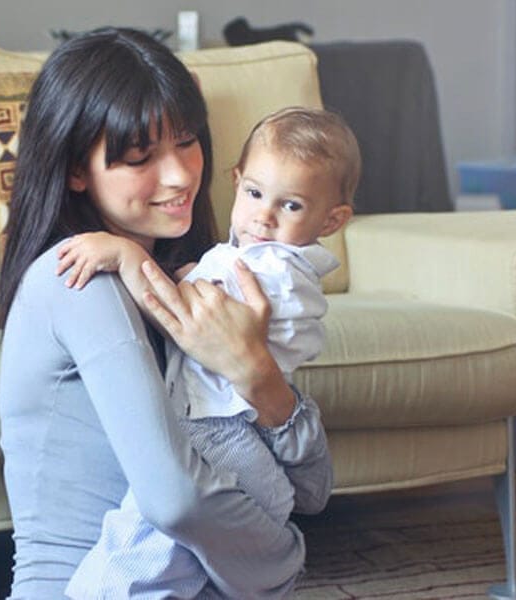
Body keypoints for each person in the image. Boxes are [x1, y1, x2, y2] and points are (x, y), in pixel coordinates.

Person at [0, 27, 334, 599]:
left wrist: (255, 371)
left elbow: (314, 488)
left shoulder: (202, 282)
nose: (179, 175)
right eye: (139, 157)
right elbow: (175, 499)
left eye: (186, 141)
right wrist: (284, 561)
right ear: (78, 171)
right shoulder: (77, 277)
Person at [57, 107, 359, 598]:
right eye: (255, 193)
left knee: (139, 541)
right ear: (237, 182)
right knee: (180, 563)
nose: (264, 215)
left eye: (292, 206)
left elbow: (181, 319)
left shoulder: (272, 269)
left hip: (217, 429)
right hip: (239, 433)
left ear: (333, 219)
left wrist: (128, 254)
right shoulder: (256, 260)